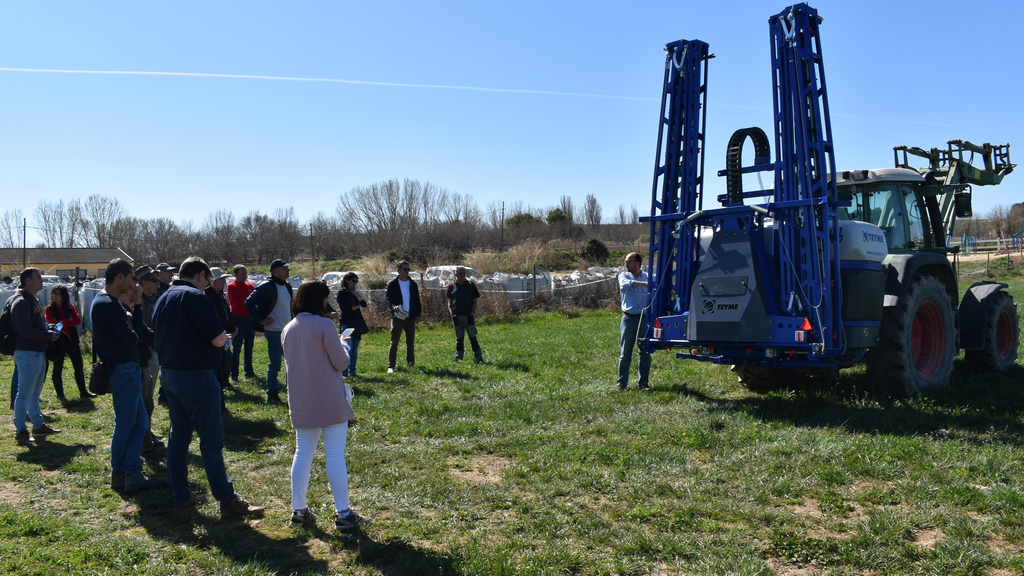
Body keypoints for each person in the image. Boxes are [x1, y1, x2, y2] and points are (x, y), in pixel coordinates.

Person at [153, 256, 264, 517]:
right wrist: (225, 339)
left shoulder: (163, 297)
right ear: (201, 275)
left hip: (169, 374)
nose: (209, 285)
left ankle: (181, 494)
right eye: (209, 280)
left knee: (178, 438)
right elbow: (216, 338)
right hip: (197, 377)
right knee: (211, 441)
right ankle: (227, 500)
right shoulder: (195, 297)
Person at [281, 280, 364, 531]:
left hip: (301, 400)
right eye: (326, 298)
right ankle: (343, 513)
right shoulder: (325, 325)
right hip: (329, 399)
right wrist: (343, 344)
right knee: (335, 454)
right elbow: (341, 363)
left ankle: (299, 510)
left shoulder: (288, 328)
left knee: (302, 453)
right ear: (320, 299)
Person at [92, 258, 165, 492]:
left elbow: (136, 333)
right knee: (126, 424)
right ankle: (123, 473)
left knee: (140, 422)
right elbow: (131, 338)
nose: (135, 283)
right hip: (123, 369)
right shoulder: (108, 304)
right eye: (132, 277)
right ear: (119, 278)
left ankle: (130, 471)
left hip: (127, 368)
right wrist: (131, 318)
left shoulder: (112, 303)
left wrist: (132, 309)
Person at [10, 267, 61, 443]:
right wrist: (47, 335)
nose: (42, 280)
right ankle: (21, 430)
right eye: (38, 277)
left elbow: (34, 327)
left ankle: (38, 425)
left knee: (34, 393)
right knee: (24, 393)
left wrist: (49, 329)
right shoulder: (22, 301)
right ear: (28, 281)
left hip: (36, 351)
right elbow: (25, 331)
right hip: (27, 352)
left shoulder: (32, 300)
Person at [244, 259, 293, 404]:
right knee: (275, 363)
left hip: (287, 330)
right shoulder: (267, 287)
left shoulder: (288, 287)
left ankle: (293, 391)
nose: (288, 271)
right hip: (273, 330)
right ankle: (272, 394)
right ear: (276, 271)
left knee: (291, 362)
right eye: (285, 268)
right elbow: (249, 302)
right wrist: (260, 319)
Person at [45, 284, 94, 402]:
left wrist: (62, 323)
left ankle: (83, 391)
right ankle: (60, 394)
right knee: (58, 369)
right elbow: (52, 323)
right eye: (54, 294)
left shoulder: (70, 308)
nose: (55, 296)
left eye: (58, 294)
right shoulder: (49, 309)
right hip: (58, 342)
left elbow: (77, 320)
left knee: (78, 366)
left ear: (63, 296)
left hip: (72, 340)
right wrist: (68, 320)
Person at [134, 266, 163, 457]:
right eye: (154, 281)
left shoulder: (151, 299)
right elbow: (141, 330)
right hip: (146, 353)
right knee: (145, 399)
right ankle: (143, 440)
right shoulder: (138, 301)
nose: (158, 284)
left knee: (149, 397)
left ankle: (147, 432)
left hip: (152, 351)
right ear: (144, 283)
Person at [617, 252, 652, 391]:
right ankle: (621, 384)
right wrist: (644, 284)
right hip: (629, 319)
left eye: (628, 262)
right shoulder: (623, 275)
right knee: (625, 353)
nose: (626, 264)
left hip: (644, 319)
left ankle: (643, 383)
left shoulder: (649, 277)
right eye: (626, 262)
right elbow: (626, 285)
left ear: (637, 264)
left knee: (645, 353)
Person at [205, 267, 236, 407]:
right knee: (218, 369)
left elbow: (226, 313)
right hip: (217, 337)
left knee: (225, 365)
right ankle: (218, 404)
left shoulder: (219, 294)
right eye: (221, 279)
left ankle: (220, 400)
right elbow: (218, 318)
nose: (224, 282)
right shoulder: (208, 296)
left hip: (224, 335)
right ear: (212, 280)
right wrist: (232, 328)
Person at [385, 260, 421, 374]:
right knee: (394, 343)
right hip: (397, 317)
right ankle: (391, 366)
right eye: (405, 269)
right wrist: (393, 306)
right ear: (398, 270)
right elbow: (388, 299)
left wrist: (417, 314)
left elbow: (417, 300)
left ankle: (411, 364)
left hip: (410, 317)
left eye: (408, 269)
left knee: (410, 343)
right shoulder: (393, 284)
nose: (407, 272)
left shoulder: (413, 284)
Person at [446, 266, 484, 363]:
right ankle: (459, 356)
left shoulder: (471, 285)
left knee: (472, 337)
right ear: (456, 275)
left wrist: (472, 313)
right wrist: (451, 312)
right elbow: (449, 301)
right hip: (457, 316)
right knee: (459, 338)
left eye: (464, 273)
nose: (462, 275)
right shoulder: (452, 286)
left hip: (468, 315)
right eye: (460, 273)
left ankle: (478, 356)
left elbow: (475, 301)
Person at [225, 264, 256, 381]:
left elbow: (254, 300)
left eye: (245, 273)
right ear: (236, 275)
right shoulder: (231, 286)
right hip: (239, 319)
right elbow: (236, 303)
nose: (244, 276)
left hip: (249, 319)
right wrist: (248, 300)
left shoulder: (250, 285)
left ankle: (249, 372)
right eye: (242, 274)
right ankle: (234, 374)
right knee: (237, 348)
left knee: (249, 347)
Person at [337, 273, 367, 378]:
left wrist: (356, 296)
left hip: (357, 324)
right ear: (347, 281)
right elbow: (346, 309)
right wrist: (357, 306)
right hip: (347, 323)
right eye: (353, 281)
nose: (355, 283)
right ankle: (344, 373)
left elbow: (364, 304)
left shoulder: (354, 293)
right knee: (347, 348)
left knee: (354, 350)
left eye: (356, 282)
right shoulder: (342, 293)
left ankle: (352, 371)